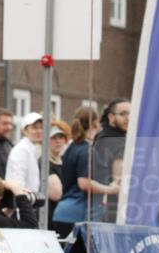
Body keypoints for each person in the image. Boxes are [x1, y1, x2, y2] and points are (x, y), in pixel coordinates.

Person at [52, 107, 118, 239]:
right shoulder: (86, 150)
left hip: (64, 213)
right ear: (95, 123)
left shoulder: (72, 147)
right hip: (78, 216)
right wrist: (112, 189)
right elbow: (84, 183)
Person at [93, 98, 130, 224]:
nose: (128, 118)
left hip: (99, 203)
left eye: (131, 113)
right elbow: (118, 179)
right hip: (112, 206)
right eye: (123, 114)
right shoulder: (117, 142)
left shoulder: (101, 137)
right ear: (111, 117)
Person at [5, 112, 42, 196]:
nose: (39, 131)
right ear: (24, 131)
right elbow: (18, 181)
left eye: (41, 127)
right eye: (34, 128)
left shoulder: (30, 148)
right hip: (22, 202)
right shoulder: (21, 150)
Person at [46, 124, 67, 230]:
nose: (58, 141)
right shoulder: (44, 163)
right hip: (50, 215)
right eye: (54, 138)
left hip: (65, 216)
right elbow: (56, 194)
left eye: (60, 137)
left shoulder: (66, 162)